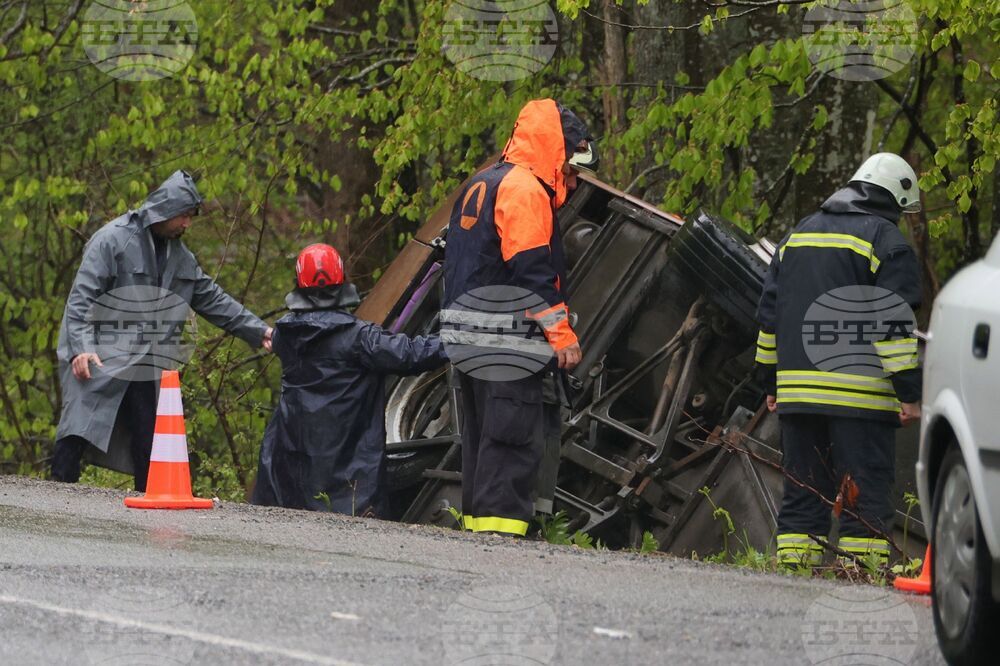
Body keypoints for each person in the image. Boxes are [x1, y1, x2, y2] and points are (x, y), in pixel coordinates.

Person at [52, 170, 273, 491]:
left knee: (149, 437)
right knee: (77, 429)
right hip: (96, 353)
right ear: (165, 211)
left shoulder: (180, 257)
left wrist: (260, 331)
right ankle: (57, 494)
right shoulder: (111, 240)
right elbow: (81, 299)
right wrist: (82, 348)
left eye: (190, 217)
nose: (187, 224)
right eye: (183, 215)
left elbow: (213, 299)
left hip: (144, 360)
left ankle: (148, 507)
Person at [755, 153, 924, 569]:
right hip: (861, 401)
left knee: (802, 497)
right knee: (863, 502)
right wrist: (910, 394)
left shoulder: (798, 236)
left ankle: (794, 573)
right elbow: (893, 327)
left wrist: (769, 384)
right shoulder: (887, 242)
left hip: (798, 398)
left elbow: (769, 320)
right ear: (895, 199)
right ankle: (858, 577)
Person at [441, 98, 596, 537]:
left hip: (469, 338)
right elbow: (532, 270)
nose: (573, 180)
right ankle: (500, 543)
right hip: (504, 343)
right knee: (509, 445)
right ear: (557, 149)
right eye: (572, 166)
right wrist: (561, 334)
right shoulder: (526, 190)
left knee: (482, 446)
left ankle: (480, 535)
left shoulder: (484, 182)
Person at [252, 243, 448, 515]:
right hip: (349, 471)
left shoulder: (286, 336)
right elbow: (412, 354)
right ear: (342, 280)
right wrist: (460, 340)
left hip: (291, 466)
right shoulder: (359, 338)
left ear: (298, 282)